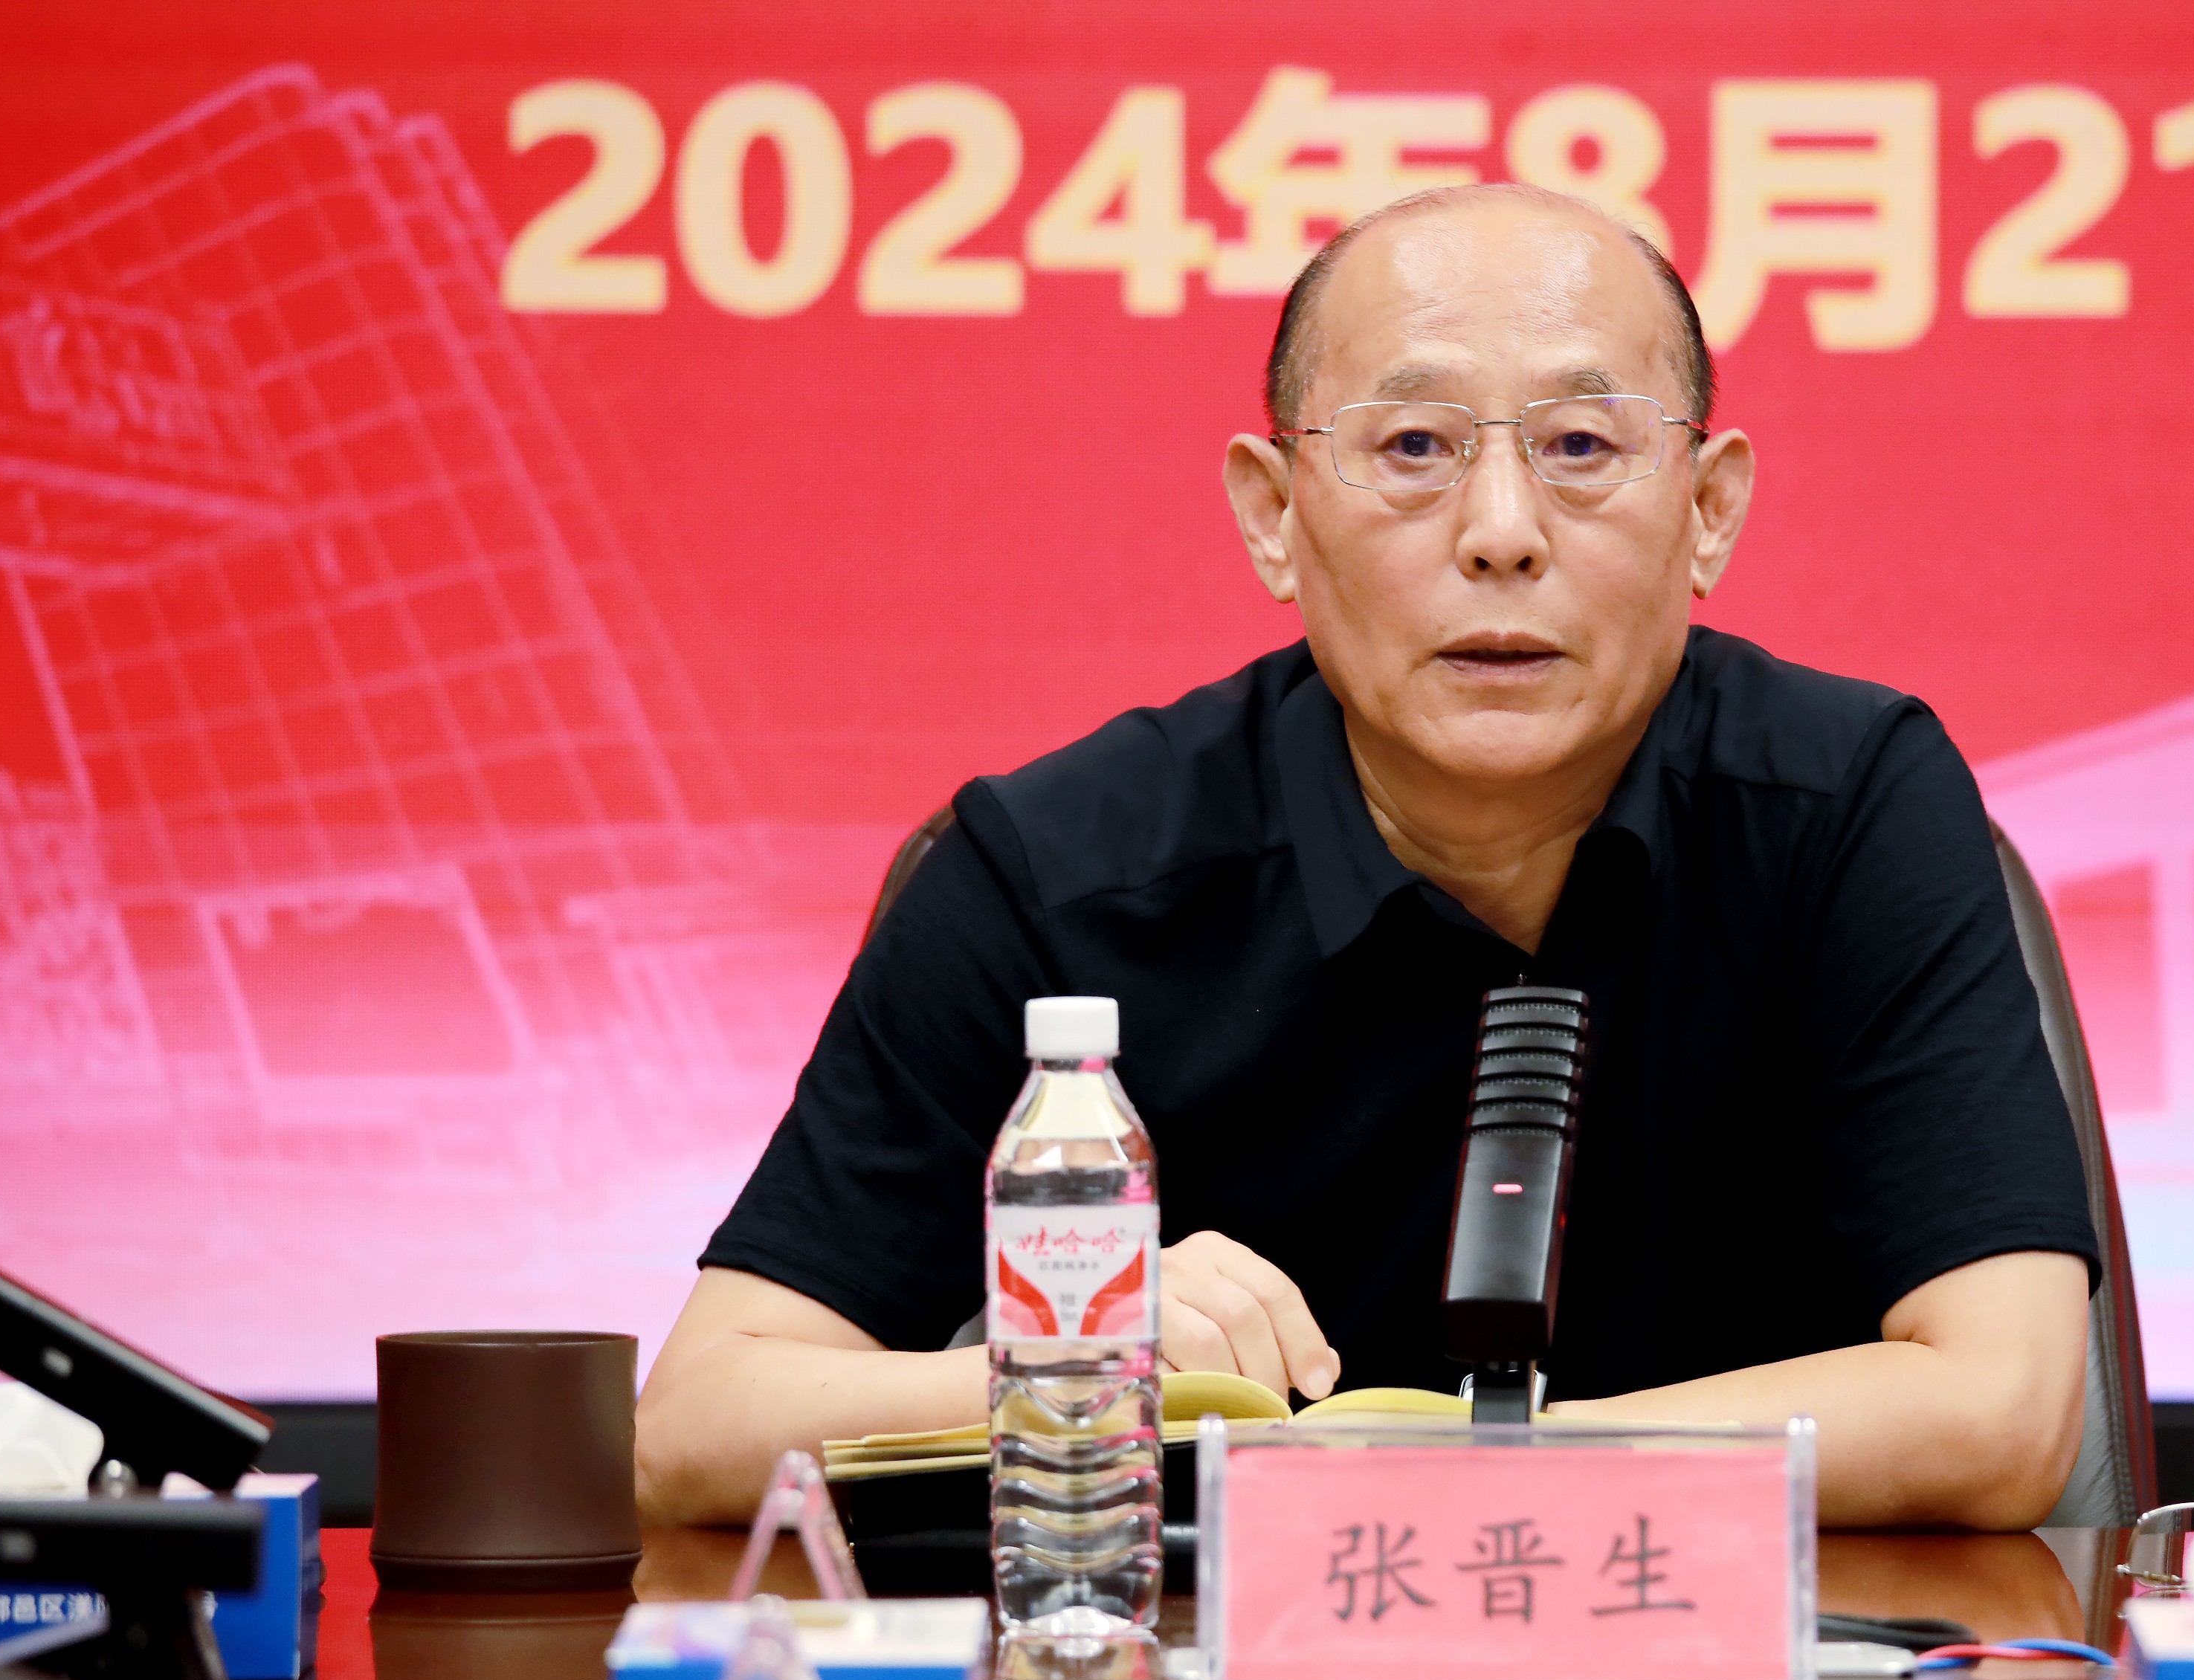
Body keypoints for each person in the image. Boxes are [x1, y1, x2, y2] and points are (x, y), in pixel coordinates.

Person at [637, 184, 2100, 1531]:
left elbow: (2006, 1408)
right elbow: (696, 1421)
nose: (1503, 533)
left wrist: (1460, 1480)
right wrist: (1077, 1364)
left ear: (1709, 509)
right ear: (1273, 516)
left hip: (1759, 1673)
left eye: (1581, 448)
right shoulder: (1059, 873)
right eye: (1413, 449)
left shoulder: (1849, 806)